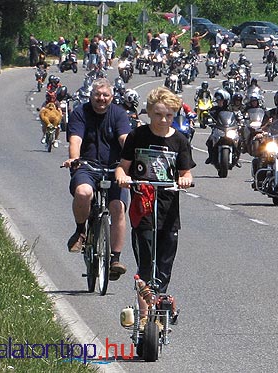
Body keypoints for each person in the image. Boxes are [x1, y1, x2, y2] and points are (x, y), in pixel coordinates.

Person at [114, 87, 194, 328]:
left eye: (169, 115)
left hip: (168, 211)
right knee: (146, 265)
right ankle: (145, 314)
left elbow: (185, 171)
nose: (163, 120)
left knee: (165, 265)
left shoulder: (179, 140)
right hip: (143, 209)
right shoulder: (137, 136)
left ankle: (159, 311)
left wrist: (185, 179)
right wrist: (122, 177)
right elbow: (123, 167)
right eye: (158, 114)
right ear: (149, 112)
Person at [61, 78, 132, 280]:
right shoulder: (79, 113)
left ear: (111, 97)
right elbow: (75, 139)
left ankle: (115, 259)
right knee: (84, 192)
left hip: (114, 168)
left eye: (105, 95)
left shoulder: (119, 114)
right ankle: (80, 231)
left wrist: (131, 157)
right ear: (91, 96)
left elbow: (124, 138)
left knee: (118, 207)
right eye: (97, 95)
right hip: (87, 166)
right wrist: (74, 159)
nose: (101, 99)